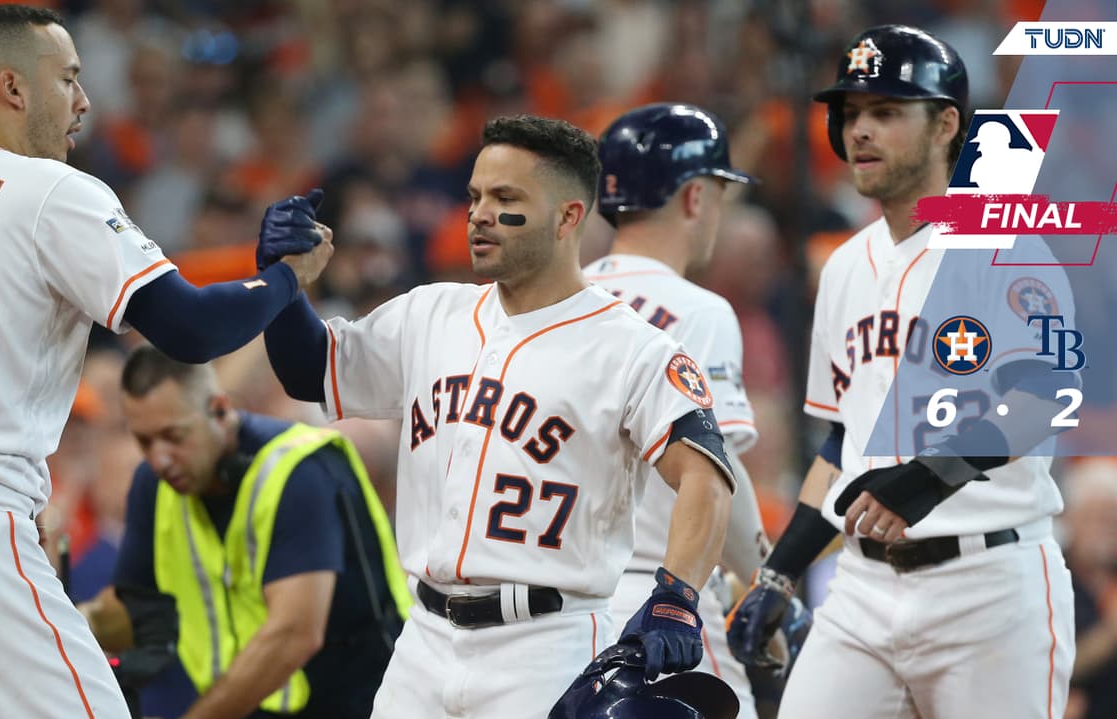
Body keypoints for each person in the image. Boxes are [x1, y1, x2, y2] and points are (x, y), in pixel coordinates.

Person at [0, 5, 329, 717]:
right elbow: (188, 328)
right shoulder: (43, 188)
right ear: (12, 88)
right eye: (68, 78)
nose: (84, 100)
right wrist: (286, 278)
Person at [262, 114, 736, 719]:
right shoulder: (429, 313)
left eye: (506, 198)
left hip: (548, 644)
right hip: (425, 640)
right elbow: (310, 371)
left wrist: (677, 596)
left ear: (569, 217)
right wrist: (280, 288)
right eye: (475, 196)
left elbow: (706, 478)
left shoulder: (634, 348)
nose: (480, 214)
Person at [725, 25, 1077, 718]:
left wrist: (927, 476)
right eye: (852, 113)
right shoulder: (845, 266)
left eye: (886, 111)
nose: (861, 130)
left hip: (989, 582)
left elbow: (1048, 392)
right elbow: (840, 444)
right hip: (861, 589)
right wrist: (782, 569)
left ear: (947, 124)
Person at [587, 102, 806, 719]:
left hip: (564, 607)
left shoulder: (563, 298)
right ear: (693, 197)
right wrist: (770, 584)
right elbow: (717, 476)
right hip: (665, 605)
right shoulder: (698, 310)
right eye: (718, 191)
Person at [79, 345, 410, 719]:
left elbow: (293, 635)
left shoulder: (300, 472)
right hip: (252, 705)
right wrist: (74, 621)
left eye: (174, 436)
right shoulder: (154, 483)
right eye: (144, 441)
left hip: (361, 705)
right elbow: (134, 607)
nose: (159, 458)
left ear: (220, 411)